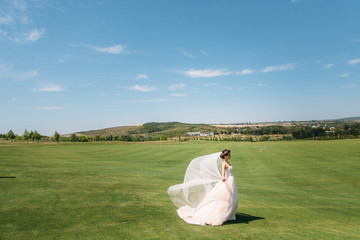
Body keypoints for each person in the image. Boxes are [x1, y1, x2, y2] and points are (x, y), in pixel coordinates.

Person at [167, 149, 238, 226]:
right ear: (225, 156)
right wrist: (223, 177)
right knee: (224, 197)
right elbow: (223, 172)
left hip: (231, 181)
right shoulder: (224, 163)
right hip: (227, 181)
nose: (230, 156)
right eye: (229, 155)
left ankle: (227, 214)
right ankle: (220, 214)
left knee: (230, 197)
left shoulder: (228, 162)